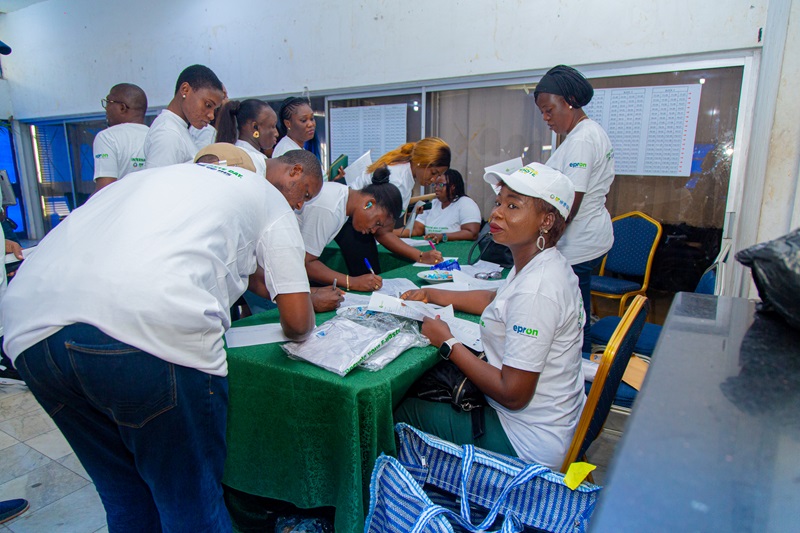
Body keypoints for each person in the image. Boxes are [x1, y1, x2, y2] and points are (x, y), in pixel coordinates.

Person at [1, 144, 322, 532]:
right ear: (291, 172)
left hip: (30, 330)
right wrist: (306, 303)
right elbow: (297, 323)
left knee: (126, 496)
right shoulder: (267, 197)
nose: (299, 206)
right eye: (304, 194)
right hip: (145, 329)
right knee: (191, 504)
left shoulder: (157, 177)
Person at [395, 162, 586, 470]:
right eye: (499, 202)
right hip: (551, 420)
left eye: (513, 206)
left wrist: (448, 343)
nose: (496, 213)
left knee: (400, 412)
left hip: (524, 442)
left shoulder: (537, 290)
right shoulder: (542, 263)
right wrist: (431, 293)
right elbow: (493, 299)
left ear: (546, 220)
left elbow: (513, 395)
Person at [534, 64, 615, 354]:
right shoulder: (586, 132)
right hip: (589, 237)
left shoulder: (581, 139)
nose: (546, 118)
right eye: (542, 112)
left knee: (574, 320)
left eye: (549, 110)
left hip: (579, 243)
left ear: (569, 101)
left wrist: (542, 240)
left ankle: (582, 369)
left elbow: (571, 201)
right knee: (578, 311)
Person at [340, 138, 452, 273]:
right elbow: (382, 232)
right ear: (420, 161)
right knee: (369, 277)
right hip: (352, 225)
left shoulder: (404, 169)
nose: (434, 180)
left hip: (355, 223)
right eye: (433, 173)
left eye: (438, 175)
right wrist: (420, 256)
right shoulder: (397, 181)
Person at [297, 167, 403, 292]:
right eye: (377, 222)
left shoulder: (343, 199)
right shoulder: (332, 209)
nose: (373, 230)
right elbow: (306, 263)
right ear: (369, 204)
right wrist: (352, 282)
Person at [143, 64, 225, 168]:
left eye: (215, 109)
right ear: (185, 90)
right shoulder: (168, 133)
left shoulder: (177, 128)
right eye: (208, 105)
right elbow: (157, 178)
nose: (211, 116)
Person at [396, 169, 481, 243]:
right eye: (435, 185)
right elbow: (416, 230)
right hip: (430, 248)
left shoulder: (466, 203)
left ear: (453, 187)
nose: (436, 188)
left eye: (440, 185)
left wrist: (443, 236)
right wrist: (390, 233)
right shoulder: (433, 204)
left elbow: (472, 233)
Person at [92, 83, 149, 192]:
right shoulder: (154, 135)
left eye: (109, 102)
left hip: (124, 203)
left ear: (122, 107)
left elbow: (104, 191)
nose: (106, 108)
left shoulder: (108, 137)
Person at [215, 98, 279, 176]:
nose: (277, 133)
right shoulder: (256, 159)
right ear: (255, 127)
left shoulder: (229, 151)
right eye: (272, 126)